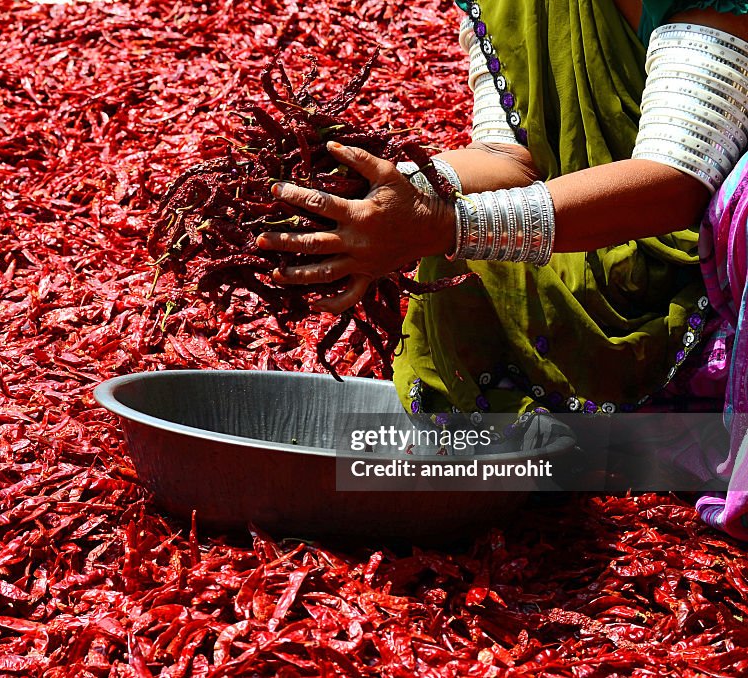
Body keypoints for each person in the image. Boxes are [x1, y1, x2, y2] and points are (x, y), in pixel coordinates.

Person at [256, 0, 748, 538]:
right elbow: (510, 156)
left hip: (707, 265)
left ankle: (691, 426)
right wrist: (386, 192)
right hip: (588, 233)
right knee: (462, 256)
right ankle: (572, 437)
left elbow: (675, 180)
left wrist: (447, 225)